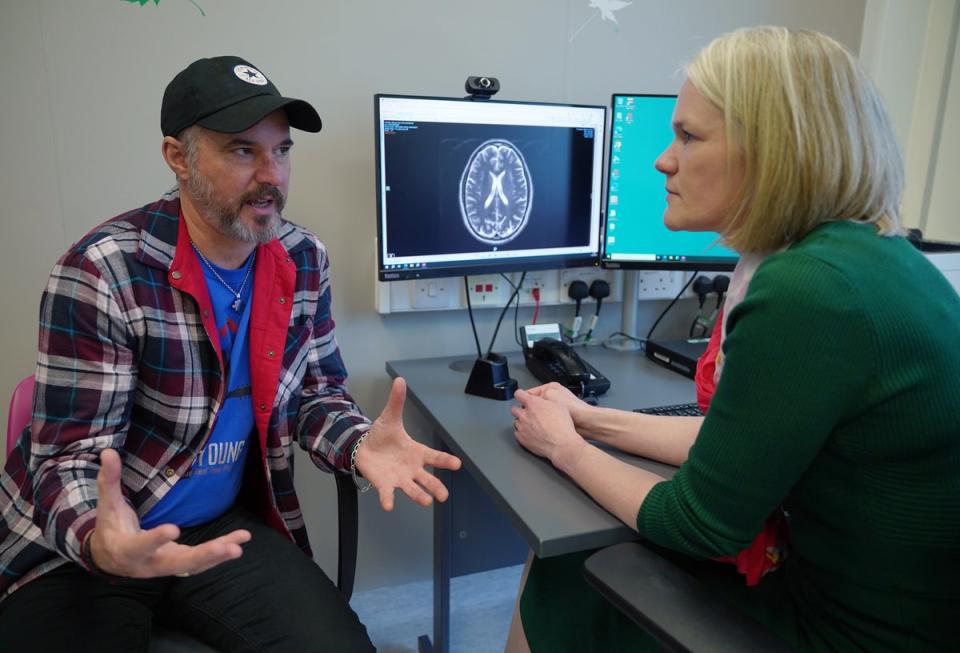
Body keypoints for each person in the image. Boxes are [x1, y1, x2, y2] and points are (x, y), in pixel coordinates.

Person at [509, 26, 960, 652]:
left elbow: (699, 524)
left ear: (773, 151)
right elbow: (738, 444)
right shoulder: (874, 256)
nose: (664, 160)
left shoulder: (809, 288)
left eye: (689, 136)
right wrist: (588, 420)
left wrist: (565, 449)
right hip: (887, 606)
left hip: (850, 635)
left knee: (561, 570)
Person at [0, 55, 461, 652]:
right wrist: (98, 536)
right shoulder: (102, 271)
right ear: (178, 157)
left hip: (218, 530)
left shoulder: (300, 259)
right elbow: (67, 456)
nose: (272, 175)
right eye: (244, 152)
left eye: (283, 151)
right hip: (97, 542)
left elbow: (315, 393)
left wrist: (357, 442)